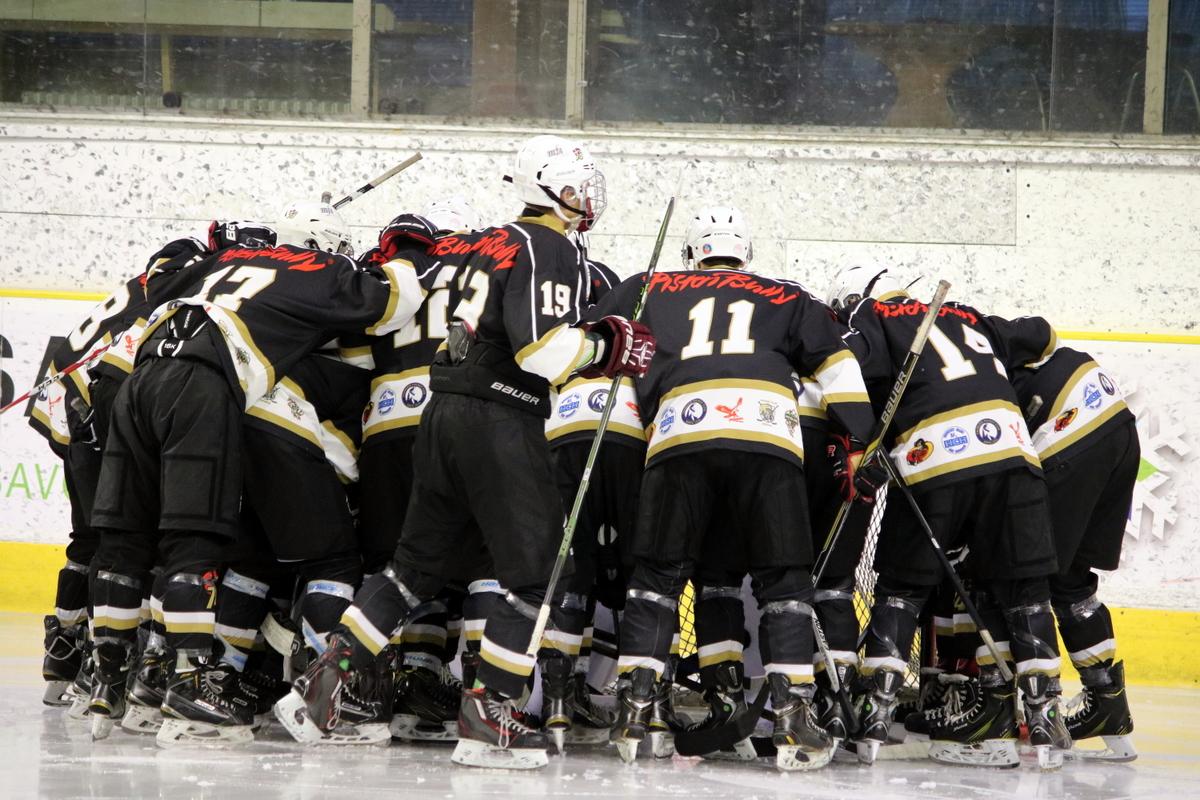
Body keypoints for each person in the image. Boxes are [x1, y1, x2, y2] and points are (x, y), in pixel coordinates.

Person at [274, 134, 655, 771]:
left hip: (440, 412)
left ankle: (320, 687)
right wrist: (606, 347)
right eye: (572, 184)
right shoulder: (551, 244)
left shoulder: (477, 240)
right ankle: (490, 716)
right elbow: (543, 354)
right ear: (542, 185)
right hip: (500, 417)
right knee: (536, 578)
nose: (583, 198)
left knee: (412, 570)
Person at [86, 200, 428, 745]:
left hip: (138, 381)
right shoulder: (316, 269)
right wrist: (409, 249)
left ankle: (116, 682)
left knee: (131, 540)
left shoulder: (220, 264)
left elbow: (155, 290)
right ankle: (200, 686)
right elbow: (396, 299)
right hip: (205, 389)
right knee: (206, 540)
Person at [595, 206, 876, 772]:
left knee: (657, 577)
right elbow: (839, 369)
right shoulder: (787, 293)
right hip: (766, 434)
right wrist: (860, 435)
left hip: (680, 430)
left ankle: (634, 710)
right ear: (745, 251)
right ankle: (794, 717)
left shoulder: (648, 287)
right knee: (784, 580)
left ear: (691, 252)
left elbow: (590, 346)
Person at [835, 266, 1072, 769]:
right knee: (1026, 590)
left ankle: (875, 715)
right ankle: (1045, 718)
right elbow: (1043, 334)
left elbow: (845, 369)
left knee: (901, 589)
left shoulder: (869, 317)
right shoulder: (964, 314)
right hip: (1011, 453)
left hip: (933, 459)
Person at [1011, 346, 1139, 761]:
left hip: (1069, 435)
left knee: (1020, 574)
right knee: (1070, 579)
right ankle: (1107, 704)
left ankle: (1040, 711)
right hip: (1116, 423)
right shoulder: (981, 335)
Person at [540, 243, 640, 750]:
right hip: (626, 425)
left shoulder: (553, 314)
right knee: (638, 570)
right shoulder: (632, 308)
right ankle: (639, 702)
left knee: (572, 568)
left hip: (563, 428)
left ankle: (556, 702)